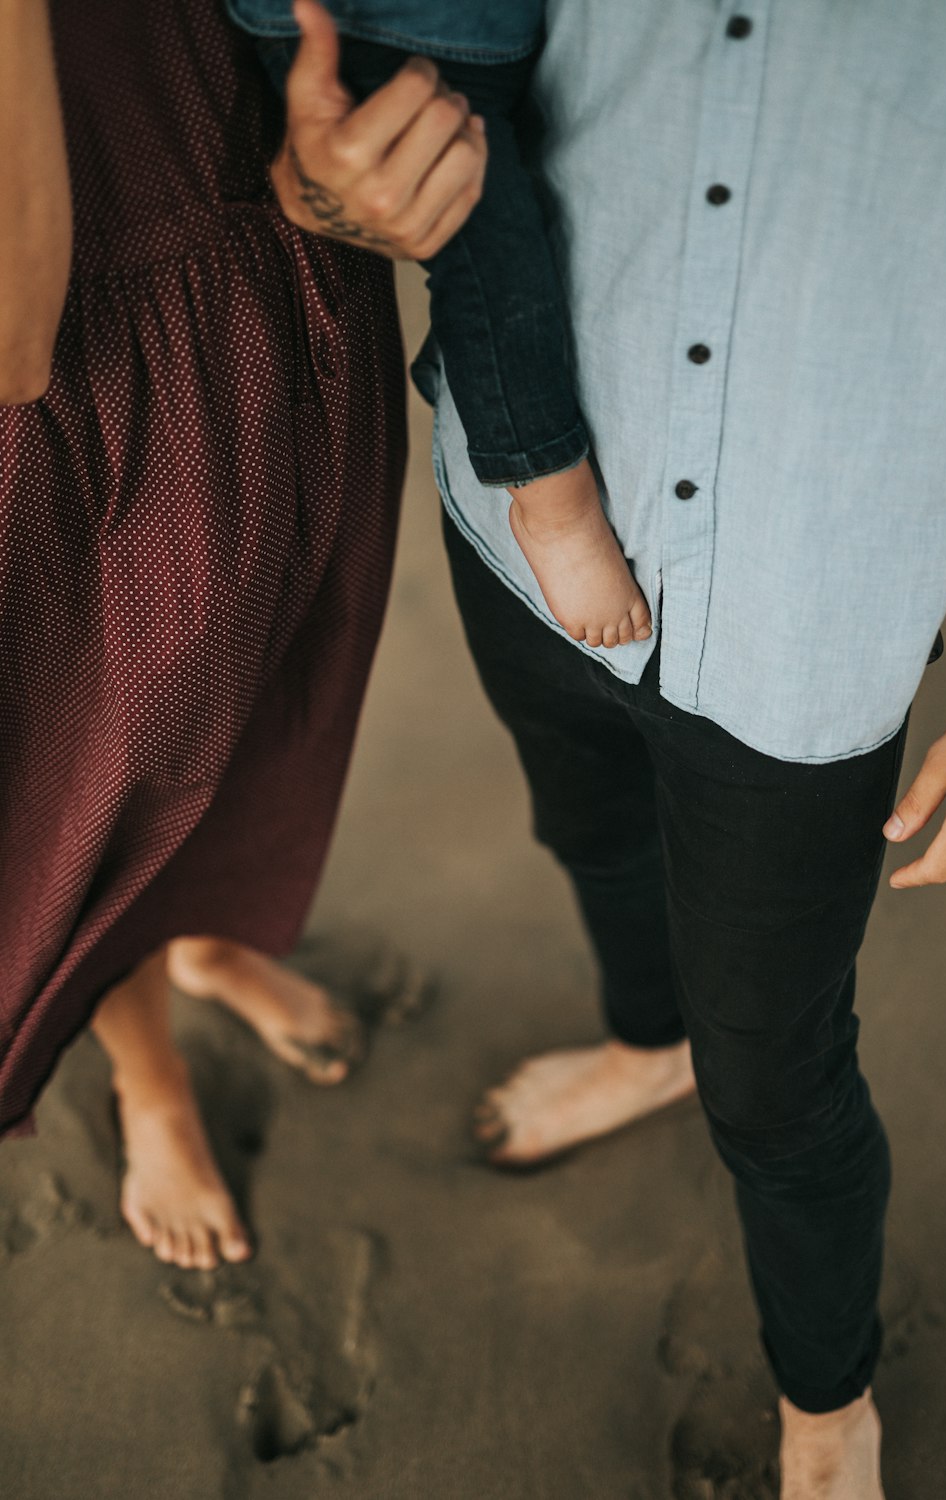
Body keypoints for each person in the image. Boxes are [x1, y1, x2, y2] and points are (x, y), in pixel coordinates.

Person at [305, 2, 946, 1496]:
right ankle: (643, 1044)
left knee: (781, 1080)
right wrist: (336, 169)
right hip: (514, 504)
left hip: (817, 609)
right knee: (592, 834)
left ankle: (829, 1408)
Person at [0, 0, 483, 1271]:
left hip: (287, 262)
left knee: (289, 683)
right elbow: (9, 335)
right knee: (122, 780)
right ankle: (146, 1065)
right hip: (91, 374)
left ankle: (216, 941)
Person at [229, 0, 653, 651]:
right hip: (392, 29)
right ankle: (552, 503)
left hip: (477, 30)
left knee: (516, 224)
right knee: (488, 251)